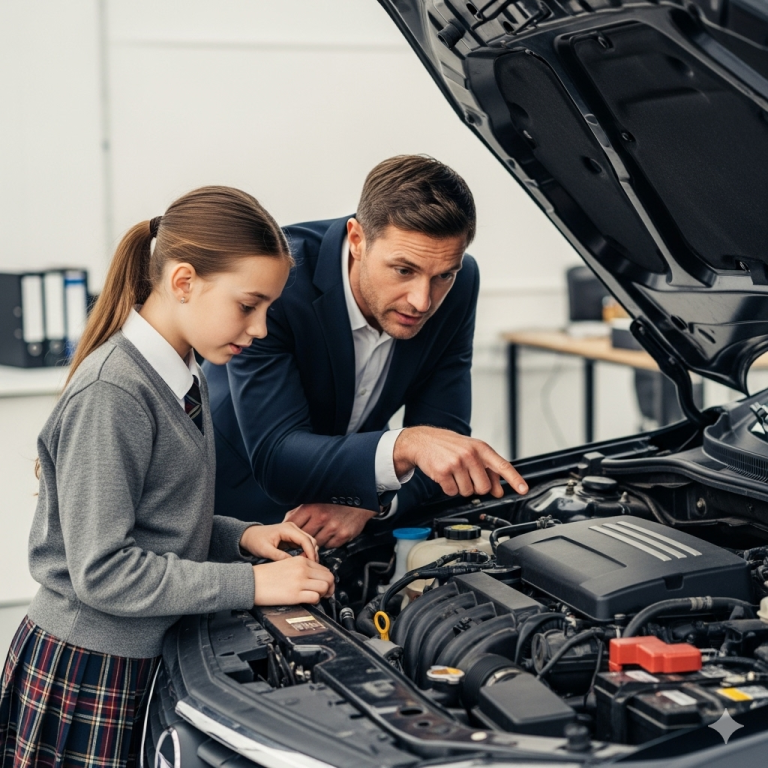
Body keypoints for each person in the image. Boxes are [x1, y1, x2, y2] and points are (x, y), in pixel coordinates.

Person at [0, 186, 335, 768]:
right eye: (248, 304)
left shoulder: (186, 374)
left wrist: (239, 536)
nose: (259, 329)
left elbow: (159, 519)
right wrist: (252, 586)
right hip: (89, 667)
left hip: (141, 657)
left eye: (268, 310)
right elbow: (104, 571)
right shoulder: (114, 392)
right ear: (183, 282)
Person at [206, 156, 528, 547]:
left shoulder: (460, 284)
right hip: (230, 510)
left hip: (343, 530)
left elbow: (446, 441)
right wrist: (405, 445)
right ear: (357, 240)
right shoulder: (280, 279)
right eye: (403, 270)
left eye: (443, 274)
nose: (423, 301)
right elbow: (277, 457)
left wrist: (369, 499)